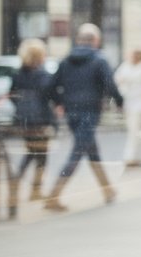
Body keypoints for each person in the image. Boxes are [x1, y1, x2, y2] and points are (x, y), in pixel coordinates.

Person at [44, 23, 123, 211]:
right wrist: (119, 102)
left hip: (72, 113)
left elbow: (50, 87)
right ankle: (53, 196)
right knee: (77, 153)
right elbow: (110, 85)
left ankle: (108, 190)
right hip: (90, 112)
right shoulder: (99, 60)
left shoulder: (65, 60)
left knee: (91, 150)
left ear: (79, 40)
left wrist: (60, 103)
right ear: (95, 41)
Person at [7, 39, 55, 218]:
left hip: (24, 120)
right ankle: (33, 188)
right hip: (40, 120)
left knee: (32, 152)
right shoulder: (42, 75)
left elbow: (12, 95)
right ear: (40, 55)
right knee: (40, 155)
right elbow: (49, 97)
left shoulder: (19, 73)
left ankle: (18, 184)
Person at [115, 49, 141, 169]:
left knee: (137, 130)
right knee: (137, 130)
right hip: (131, 102)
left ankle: (132, 156)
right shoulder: (126, 66)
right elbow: (118, 79)